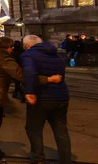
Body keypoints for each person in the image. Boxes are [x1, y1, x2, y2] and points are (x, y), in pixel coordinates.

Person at [0, 37, 61, 163]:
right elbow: (21, 75)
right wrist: (48, 79)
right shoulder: (4, 59)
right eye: (11, 48)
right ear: (8, 47)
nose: (12, 50)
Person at [22, 35, 71, 164]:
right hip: (61, 97)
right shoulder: (57, 55)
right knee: (61, 131)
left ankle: (38, 158)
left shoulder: (29, 55)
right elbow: (61, 76)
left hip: (42, 98)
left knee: (34, 129)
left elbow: (30, 73)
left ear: (27, 46)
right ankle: (65, 160)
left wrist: (30, 92)